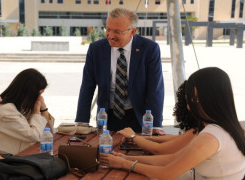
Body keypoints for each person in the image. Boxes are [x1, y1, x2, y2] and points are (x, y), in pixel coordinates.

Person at [100, 67, 245, 179]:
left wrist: (125, 164)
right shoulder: (227, 127)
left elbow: (166, 174)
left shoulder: (210, 137)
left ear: (199, 97)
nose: (188, 106)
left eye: (189, 98)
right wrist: (126, 158)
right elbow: (173, 158)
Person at [75, 7, 164, 134]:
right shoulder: (96, 49)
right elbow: (87, 87)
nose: (110, 36)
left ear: (132, 31)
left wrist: (155, 125)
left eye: (117, 32)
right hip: (108, 115)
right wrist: (82, 121)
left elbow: (155, 89)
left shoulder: (149, 49)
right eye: (108, 29)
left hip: (138, 115)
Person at [0, 68, 54, 155]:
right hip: (6, 158)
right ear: (29, 92)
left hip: (23, 154)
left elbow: (48, 133)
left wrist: (44, 109)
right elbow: (34, 135)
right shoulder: (6, 110)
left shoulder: (22, 106)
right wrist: (36, 112)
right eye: (39, 94)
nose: (39, 98)